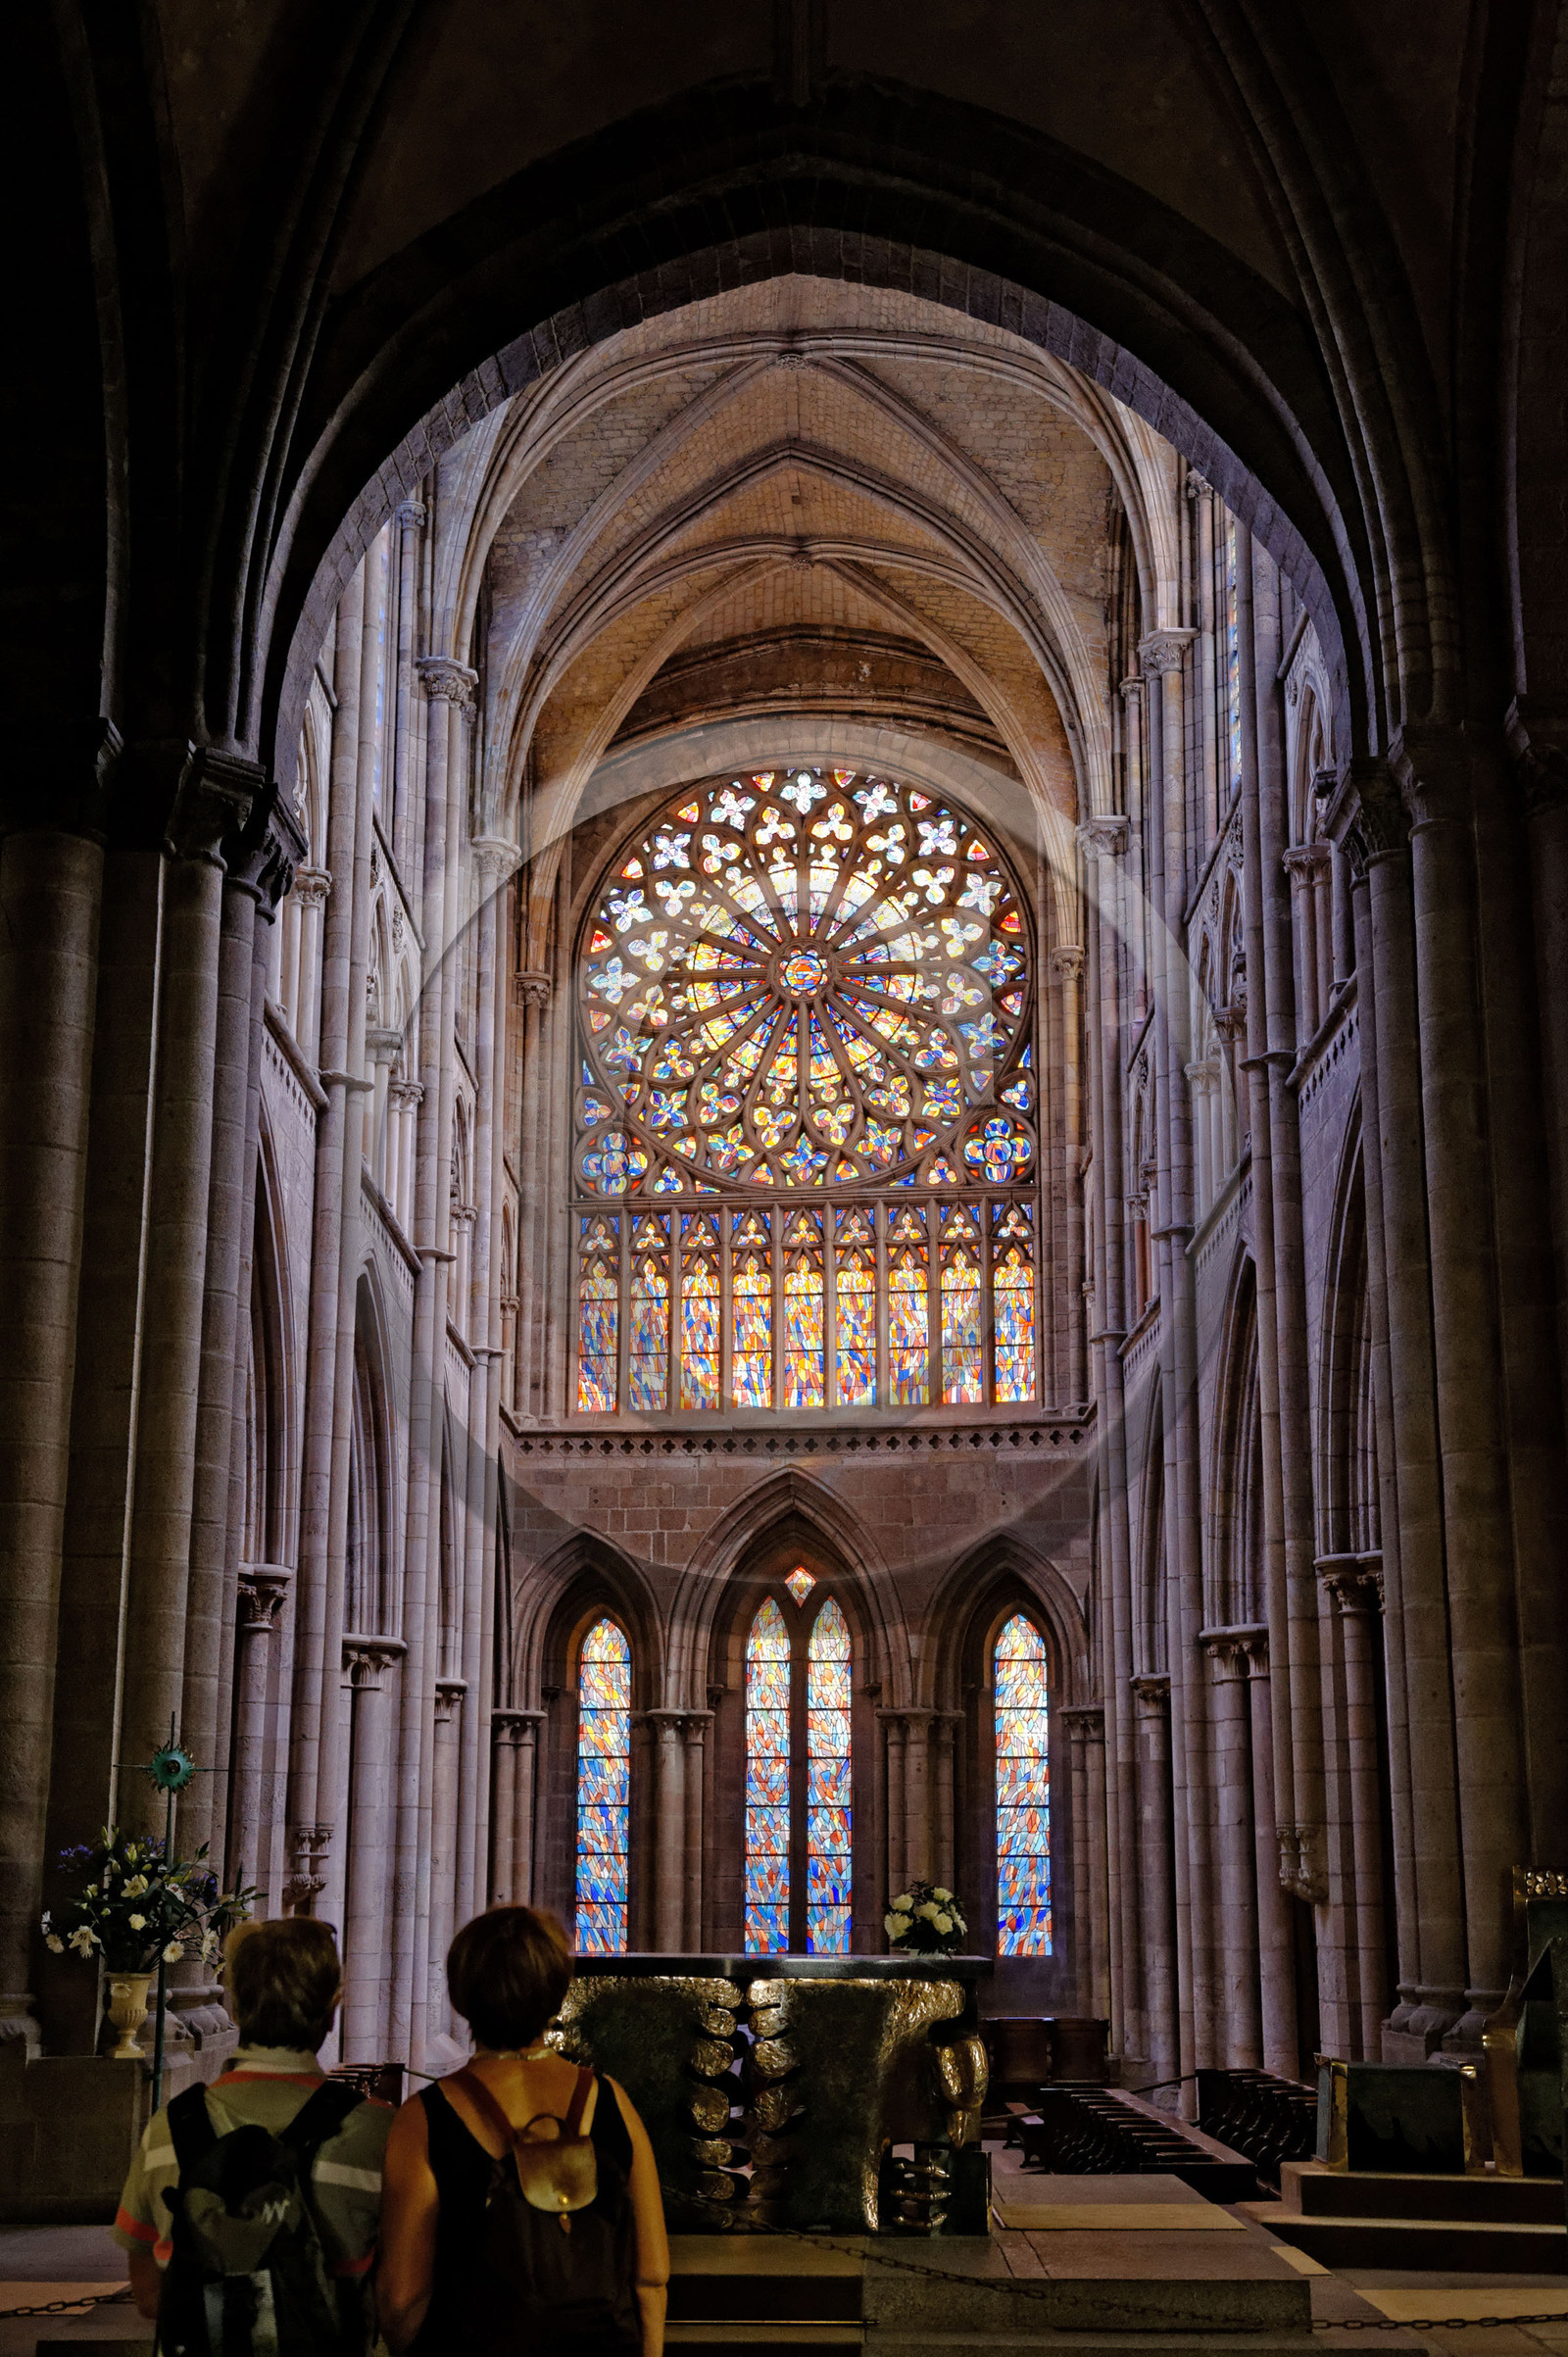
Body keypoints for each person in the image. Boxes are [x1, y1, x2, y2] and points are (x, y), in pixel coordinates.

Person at [377, 1906, 668, 2357]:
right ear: (556, 1994)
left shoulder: (423, 2118)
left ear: (460, 1994)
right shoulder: (611, 2101)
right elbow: (650, 2275)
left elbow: (401, 2299)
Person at [113, 1917, 391, 2349]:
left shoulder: (170, 2128)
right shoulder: (375, 2132)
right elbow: (401, 2292)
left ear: (236, 2008)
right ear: (334, 2008)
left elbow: (149, 2294)